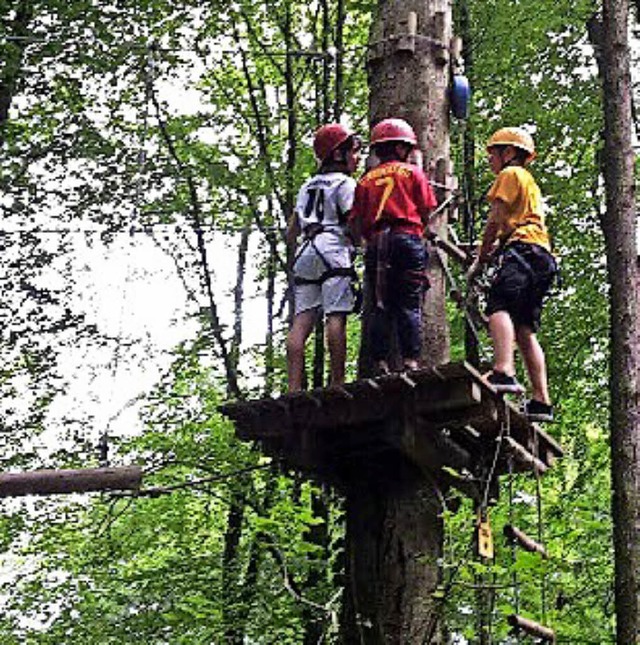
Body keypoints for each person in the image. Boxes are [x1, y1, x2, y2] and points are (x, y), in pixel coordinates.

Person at [466, 126, 557, 422]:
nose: (490, 160)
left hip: (523, 251)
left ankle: (503, 370)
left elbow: (495, 219)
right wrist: (498, 249)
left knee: (498, 305)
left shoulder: (509, 175)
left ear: (508, 153)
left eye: (493, 153)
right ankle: (541, 400)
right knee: (524, 329)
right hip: (539, 255)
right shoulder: (528, 181)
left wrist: (481, 258)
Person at [349, 117, 437, 374]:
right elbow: (426, 209)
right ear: (401, 148)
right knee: (409, 301)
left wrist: (365, 241)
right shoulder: (413, 173)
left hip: (377, 243)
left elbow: (356, 220)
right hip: (407, 238)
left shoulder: (365, 181)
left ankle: (380, 361)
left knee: (380, 302)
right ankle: (411, 359)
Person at [286, 123, 361, 392]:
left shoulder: (306, 186)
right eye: (354, 151)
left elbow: (291, 230)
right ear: (339, 155)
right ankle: (337, 381)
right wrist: (360, 241)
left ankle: (294, 386)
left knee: (300, 323)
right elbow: (353, 218)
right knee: (335, 316)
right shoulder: (345, 183)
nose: (358, 157)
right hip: (333, 249)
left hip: (306, 253)